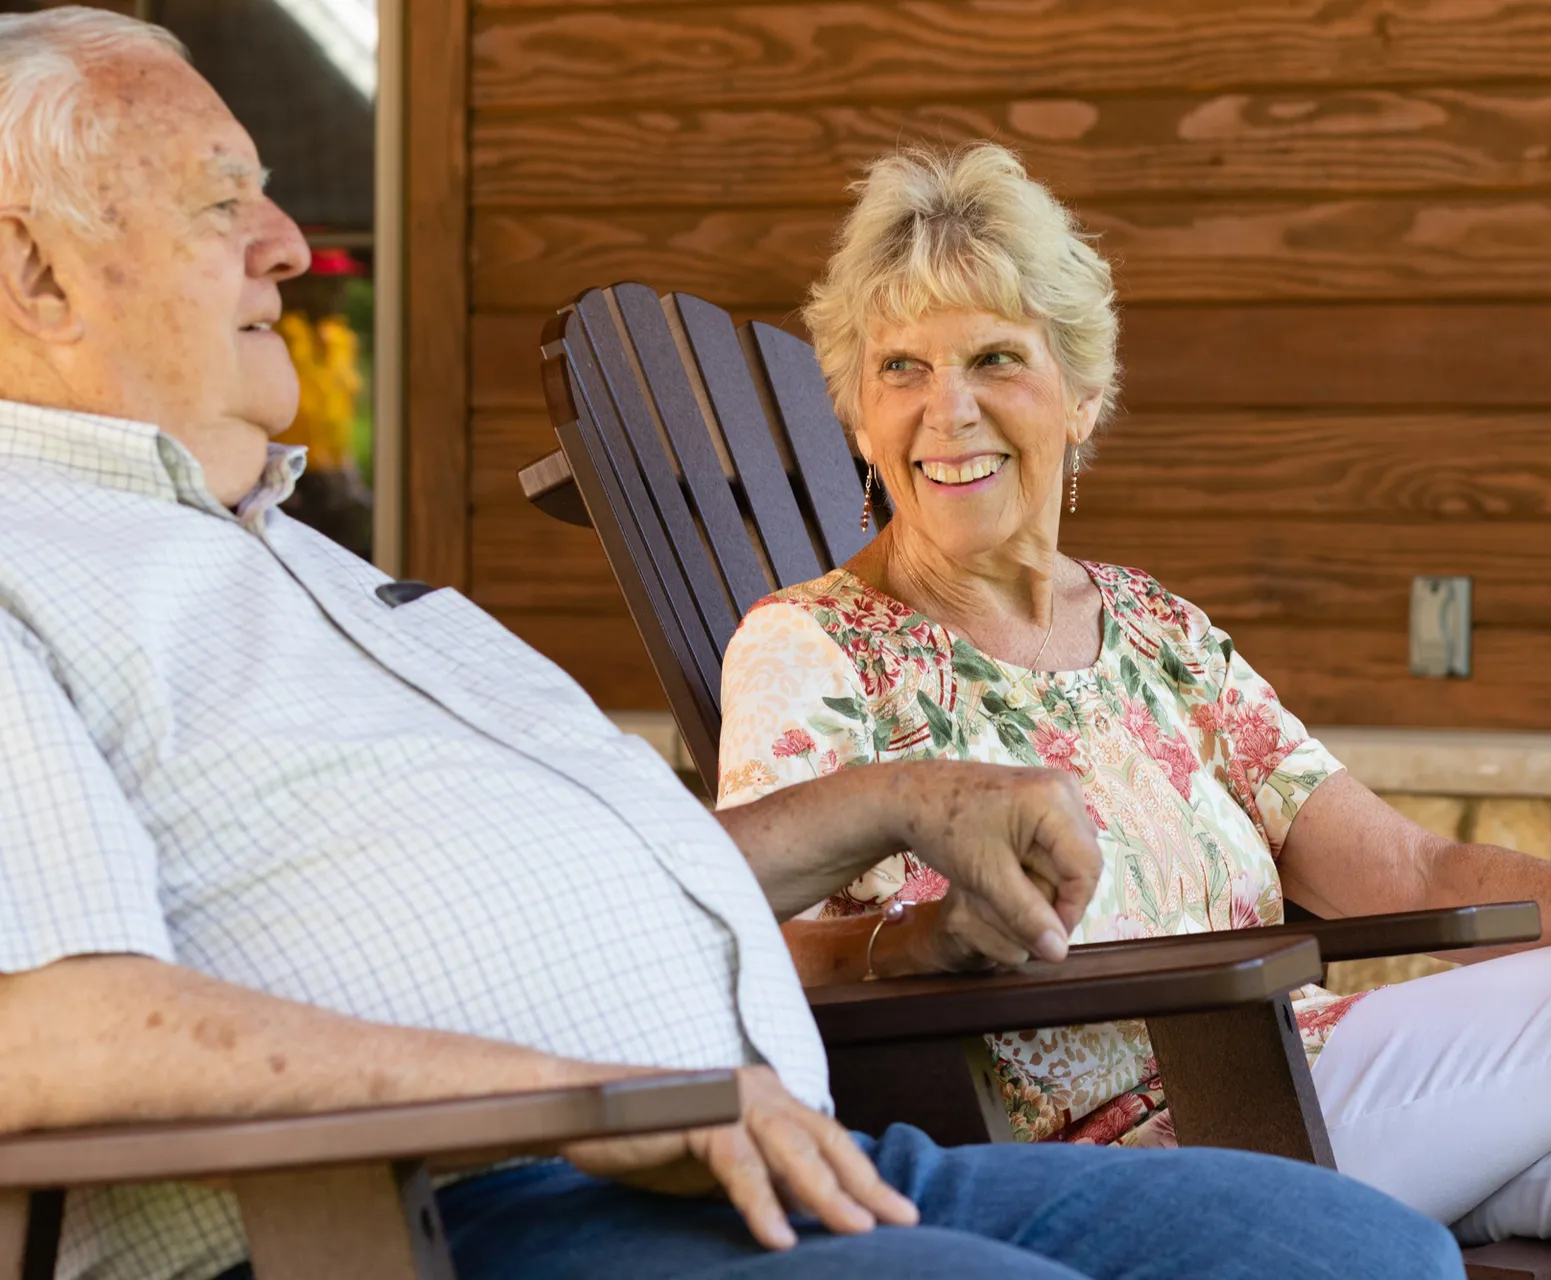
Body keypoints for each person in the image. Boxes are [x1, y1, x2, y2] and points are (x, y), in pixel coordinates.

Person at [0, 11, 1468, 1280]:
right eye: (223, 204)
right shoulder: (28, 571)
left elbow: (612, 873)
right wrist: (591, 1099)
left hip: (752, 1144)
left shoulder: (306, 565)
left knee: (1359, 1252)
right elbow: (39, 1036)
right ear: (36, 274)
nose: (288, 243)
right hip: (424, 1211)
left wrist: (904, 801)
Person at [715, 142, 1551, 1277]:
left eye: (994, 359)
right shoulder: (811, 648)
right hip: (1123, 1153)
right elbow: (740, 944)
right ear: (857, 413)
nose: (947, 410)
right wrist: (913, 943)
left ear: (1080, 396)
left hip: (1291, 1078)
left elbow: (1405, 866)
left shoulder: (1155, 628)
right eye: (902, 368)